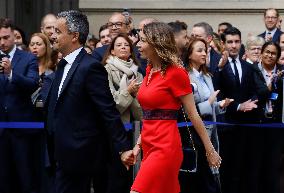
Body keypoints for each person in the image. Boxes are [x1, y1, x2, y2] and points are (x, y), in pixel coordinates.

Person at [45, 10, 133, 193]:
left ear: (74, 36)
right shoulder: (62, 67)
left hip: (80, 154)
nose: (52, 36)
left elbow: (107, 110)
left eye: (58, 32)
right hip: (58, 152)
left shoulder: (90, 67)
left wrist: (123, 148)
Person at [130, 22, 221, 193]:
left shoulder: (176, 73)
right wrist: (138, 146)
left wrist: (210, 150)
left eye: (142, 41)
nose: (138, 45)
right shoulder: (149, 70)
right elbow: (149, 115)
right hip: (149, 144)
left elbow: (193, 115)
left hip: (165, 146)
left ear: (156, 43)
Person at [180, 38, 233, 193]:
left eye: (206, 50)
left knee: (210, 176)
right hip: (194, 136)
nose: (204, 53)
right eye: (200, 50)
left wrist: (220, 105)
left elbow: (211, 106)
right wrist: (209, 103)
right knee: (201, 180)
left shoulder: (207, 76)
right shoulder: (185, 76)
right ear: (189, 55)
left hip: (211, 133)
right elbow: (186, 110)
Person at [216, 27, 260, 193]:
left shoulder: (247, 66)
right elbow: (216, 92)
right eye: (230, 42)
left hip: (246, 127)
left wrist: (253, 102)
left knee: (244, 170)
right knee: (226, 171)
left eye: (236, 42)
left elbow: (255, 90)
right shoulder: (218, 66)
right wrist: (239, 106)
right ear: (223, 44)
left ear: (241, 43)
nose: (233, 46)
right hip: (225, 126)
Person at [0, 17, 39, 193]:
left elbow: (32, 83)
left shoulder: (28, 58)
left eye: (6, 37)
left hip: (21, 128)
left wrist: (11, 74)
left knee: (25, 176)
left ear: (14, 37)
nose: (2, 42)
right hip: (0, 128)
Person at [102, 33, 143, 193]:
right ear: (112, 51)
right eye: (118, 45)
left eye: (126, 45)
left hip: (136, 131)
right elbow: (113, 105)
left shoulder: (138, 73)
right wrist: (129, 92)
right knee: (116, 176)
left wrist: (133, 95)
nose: (123, 47)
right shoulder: (106, 70)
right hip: (115, 131)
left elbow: (141, 110)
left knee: (133, 177)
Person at [251, 41, 284, 193]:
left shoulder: (282, 74)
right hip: (256, 125)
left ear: (277, 57)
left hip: (276, 127)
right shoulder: (253, 71)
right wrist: (269, 86)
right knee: (256, 164)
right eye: (267, 52)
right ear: (262, 52)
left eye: (273, 53)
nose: (270, 55)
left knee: (273, 165)